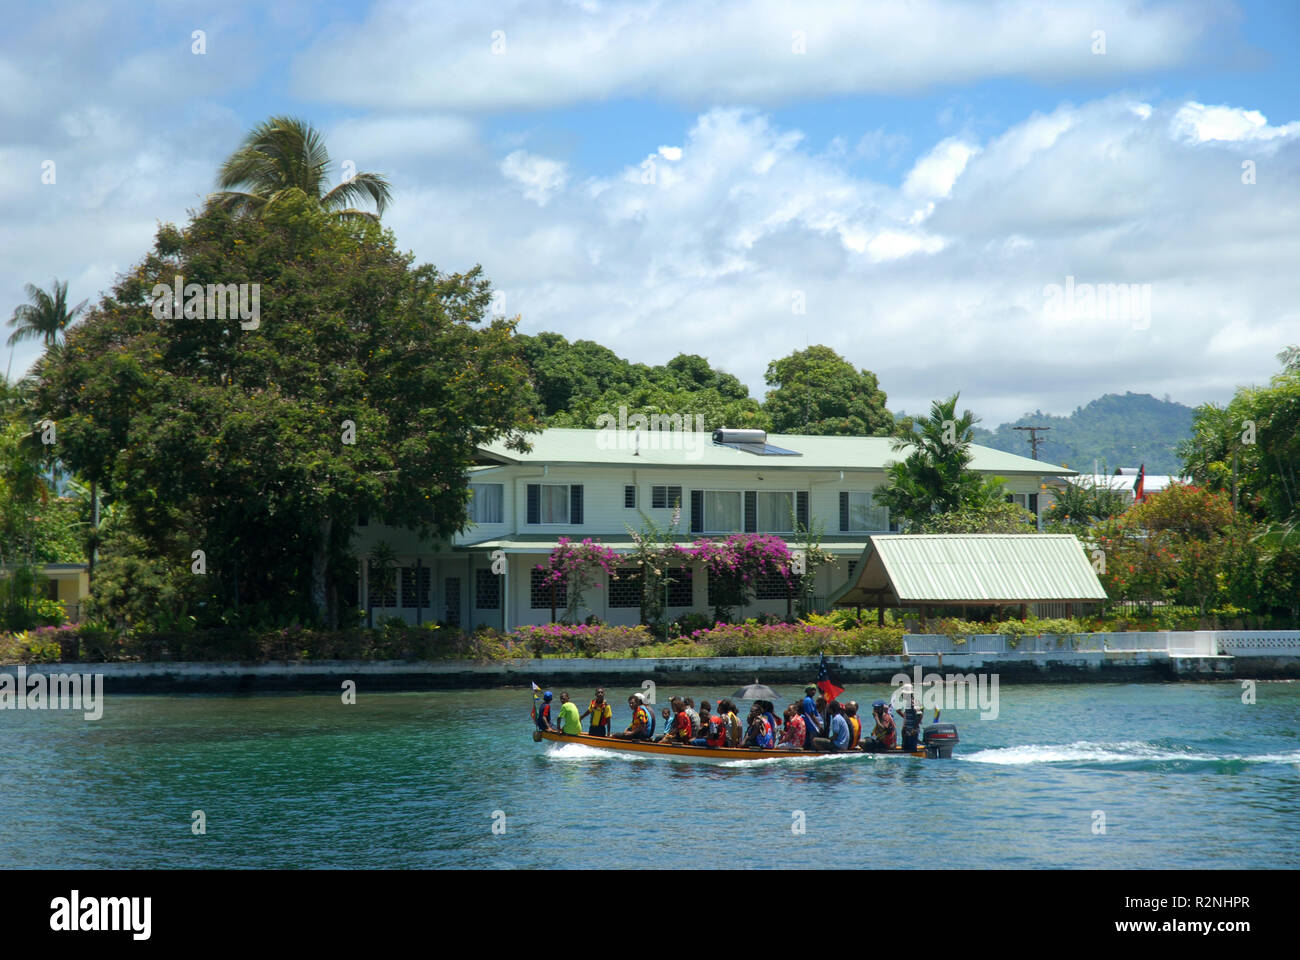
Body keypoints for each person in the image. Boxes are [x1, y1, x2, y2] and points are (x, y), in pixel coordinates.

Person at [897, 682, 923, 752]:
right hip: (908, 731)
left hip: (912, 731)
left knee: (911, 749)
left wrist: (914, 728)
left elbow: (920, 715)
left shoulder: (913, 702)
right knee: (906, 748)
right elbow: (907, 716)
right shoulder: (907, 703)